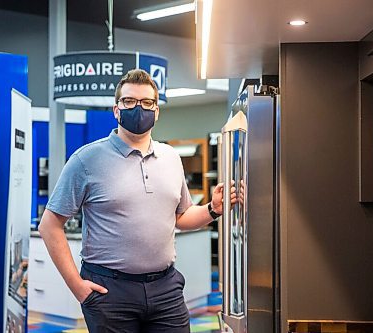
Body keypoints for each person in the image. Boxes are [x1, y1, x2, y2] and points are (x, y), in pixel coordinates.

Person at [39, 69, 242, 333]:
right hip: (110, 292)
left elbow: (181, 217)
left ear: (156, 111)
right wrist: (77, 286)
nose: (139, 108)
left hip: (165, 288)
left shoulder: (170, 158)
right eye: (129, 102)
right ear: (116, 109)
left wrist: (213, 209)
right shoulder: (86, 160)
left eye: (147, 103)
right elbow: (49, 225)